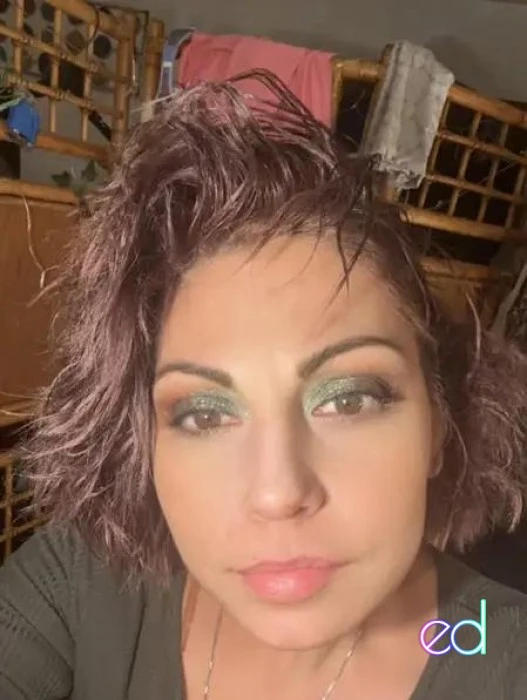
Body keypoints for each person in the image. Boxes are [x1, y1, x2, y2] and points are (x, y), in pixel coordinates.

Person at [1, 74, 527, 700]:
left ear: (440, 421)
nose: (278, 493)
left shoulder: (487, 641)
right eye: (204, 414)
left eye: (348, 399)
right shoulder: (81, 580)